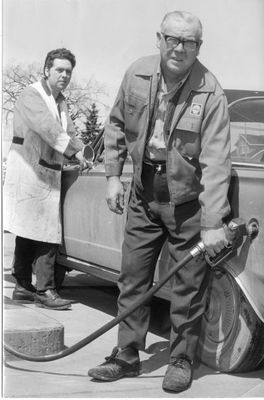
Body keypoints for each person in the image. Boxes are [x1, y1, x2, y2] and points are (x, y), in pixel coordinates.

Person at [88, 11, 231, 392]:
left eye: (190, 42)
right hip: (142, 192)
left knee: (188, 286)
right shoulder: (137, 72)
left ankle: (181, 359)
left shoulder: (210, 91)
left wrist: (214, 220)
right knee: (132, 276)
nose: (180, 48)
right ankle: (127, 355)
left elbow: (217, 161)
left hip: (187, 202)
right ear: (159, 38)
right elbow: (116, 123)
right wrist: (113, 177)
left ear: (199, 46)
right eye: (173, 39)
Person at [3, 48, 90, 310]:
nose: (64, 75)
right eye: (59, 70)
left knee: (31, 231)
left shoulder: (61, 102)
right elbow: (48, 128)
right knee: (45, 233)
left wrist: (83, 152)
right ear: (46, 70)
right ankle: (45, 290)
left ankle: (22, 287)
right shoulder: (32, 94)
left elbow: (70, 132)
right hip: (28, 170)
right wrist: (77, 150)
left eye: (68, 71)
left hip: (46, 171)